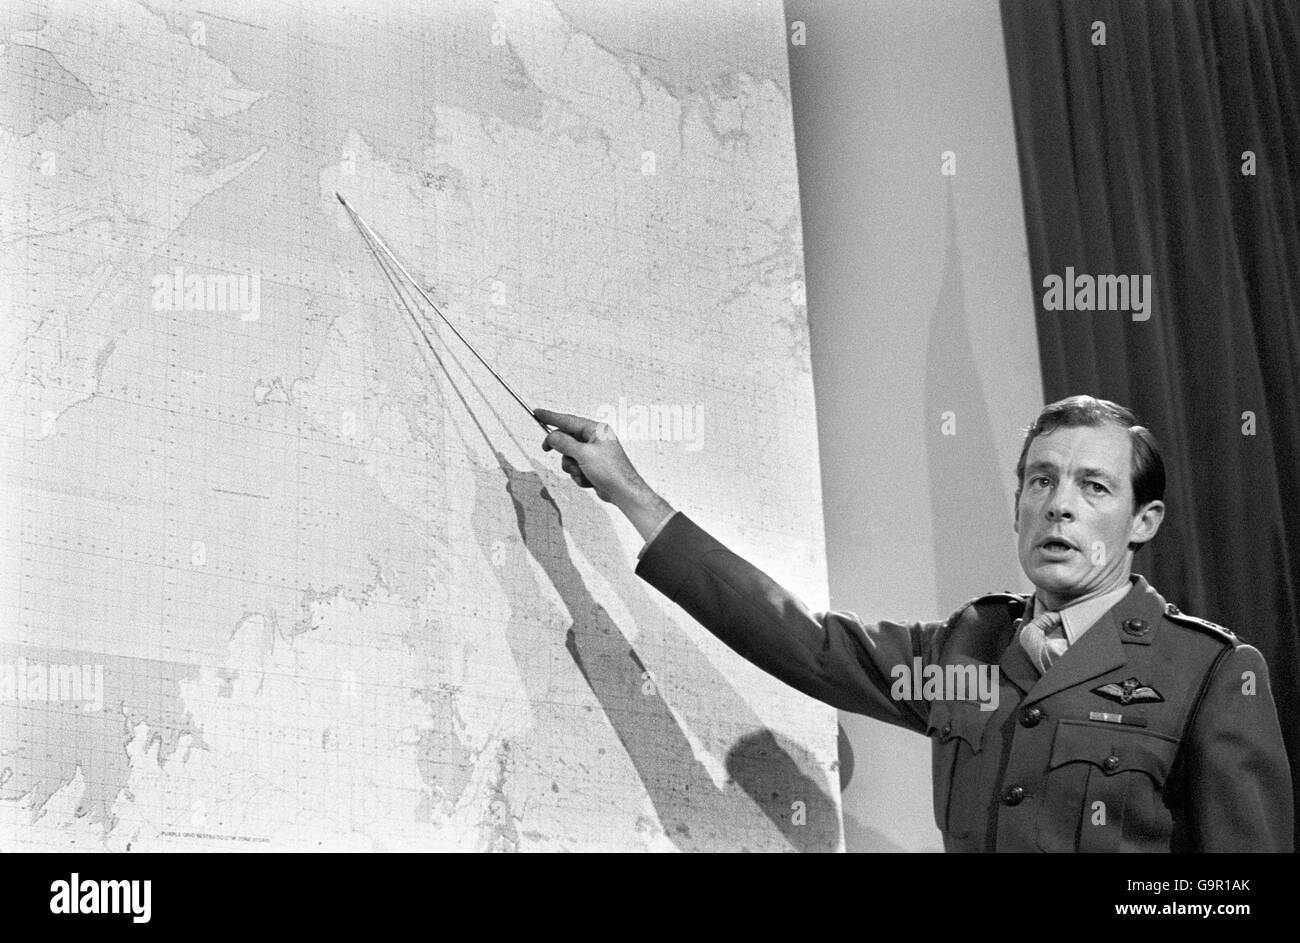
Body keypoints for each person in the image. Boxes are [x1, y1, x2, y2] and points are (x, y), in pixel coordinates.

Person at [535, 395, 1294, 852]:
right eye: (1040, 480)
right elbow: (805, 639)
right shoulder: (971, 649)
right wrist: (632, 493)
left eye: (1093, 486)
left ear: (1143, 520)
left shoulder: (1208, 674)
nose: (1058, 504)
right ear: (1019, 504)